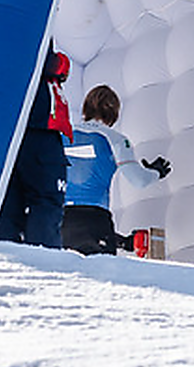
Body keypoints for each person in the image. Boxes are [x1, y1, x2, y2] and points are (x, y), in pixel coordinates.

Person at [63, 85, 170, 255]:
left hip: (60, 220)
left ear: (85, 109)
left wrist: (123, 241)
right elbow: (139, 180)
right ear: (114, 114)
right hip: (95, 219)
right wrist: (156, 172)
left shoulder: (62, 135)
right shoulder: (116, 139)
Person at [0, 45, 73, 247]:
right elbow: (36, 58)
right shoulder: (31, 32)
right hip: (40, 126)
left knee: (6, 206)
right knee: (45, 201)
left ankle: (4, 260)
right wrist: (60, 63)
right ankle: (44, 262)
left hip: (3, 131)